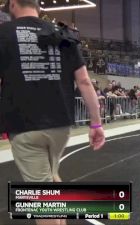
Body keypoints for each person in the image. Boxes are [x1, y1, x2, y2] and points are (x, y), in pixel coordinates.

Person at [0, 1, 105, 225]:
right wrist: (96, 125)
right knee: (51, 177)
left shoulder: (3, 33)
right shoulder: (62, 32)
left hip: (24, 125)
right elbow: (85, 81)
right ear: (38, 6)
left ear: (12, 5)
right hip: (60, 125)